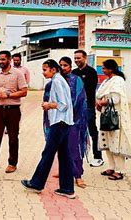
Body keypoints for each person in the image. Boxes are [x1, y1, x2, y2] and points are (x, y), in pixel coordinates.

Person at [21, 59, 75, 198]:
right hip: (65, 122)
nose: (43, 72)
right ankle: (67, 188)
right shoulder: (60, 80)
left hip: (60, 122)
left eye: (45, 69)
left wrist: (48, 105)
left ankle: (37, 183)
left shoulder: (57, 81)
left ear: (53, 69)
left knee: (48, 153)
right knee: (64, 156)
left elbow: (63, 105)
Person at [96, 59, 131, 180]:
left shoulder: (118, 80)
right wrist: (99, 103)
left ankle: (120, 171)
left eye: (104, 68)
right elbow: (102, 95)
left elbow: (115, 99)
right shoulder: (108, 80)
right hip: (106, 115)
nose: (103, 69)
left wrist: (101, 102)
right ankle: (111, 167)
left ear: (111, 69)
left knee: (116, 143)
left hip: (115, 116)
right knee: (108, 141)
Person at [59, 57, 88, 188]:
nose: (63, 68)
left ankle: (78, 175)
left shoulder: (76, 80)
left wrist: (70, 114)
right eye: (60, 65)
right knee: (60, 147)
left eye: (65, 65)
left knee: (74, 147)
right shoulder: (57, 80)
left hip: (73, 120)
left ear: (70, 66)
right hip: (58, 120)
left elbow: (80, 98)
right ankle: (64, 171)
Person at [72, 50, 103, 167]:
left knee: (92, 131)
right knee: (76, 132)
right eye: (75, 58)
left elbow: (90, 90)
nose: (76, 60)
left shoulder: (91, 72)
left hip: (88, 107)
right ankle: (78, 155)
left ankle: (98, 156)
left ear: (85, 58)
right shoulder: (73, 72)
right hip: (75, 109)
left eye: (78, 58)